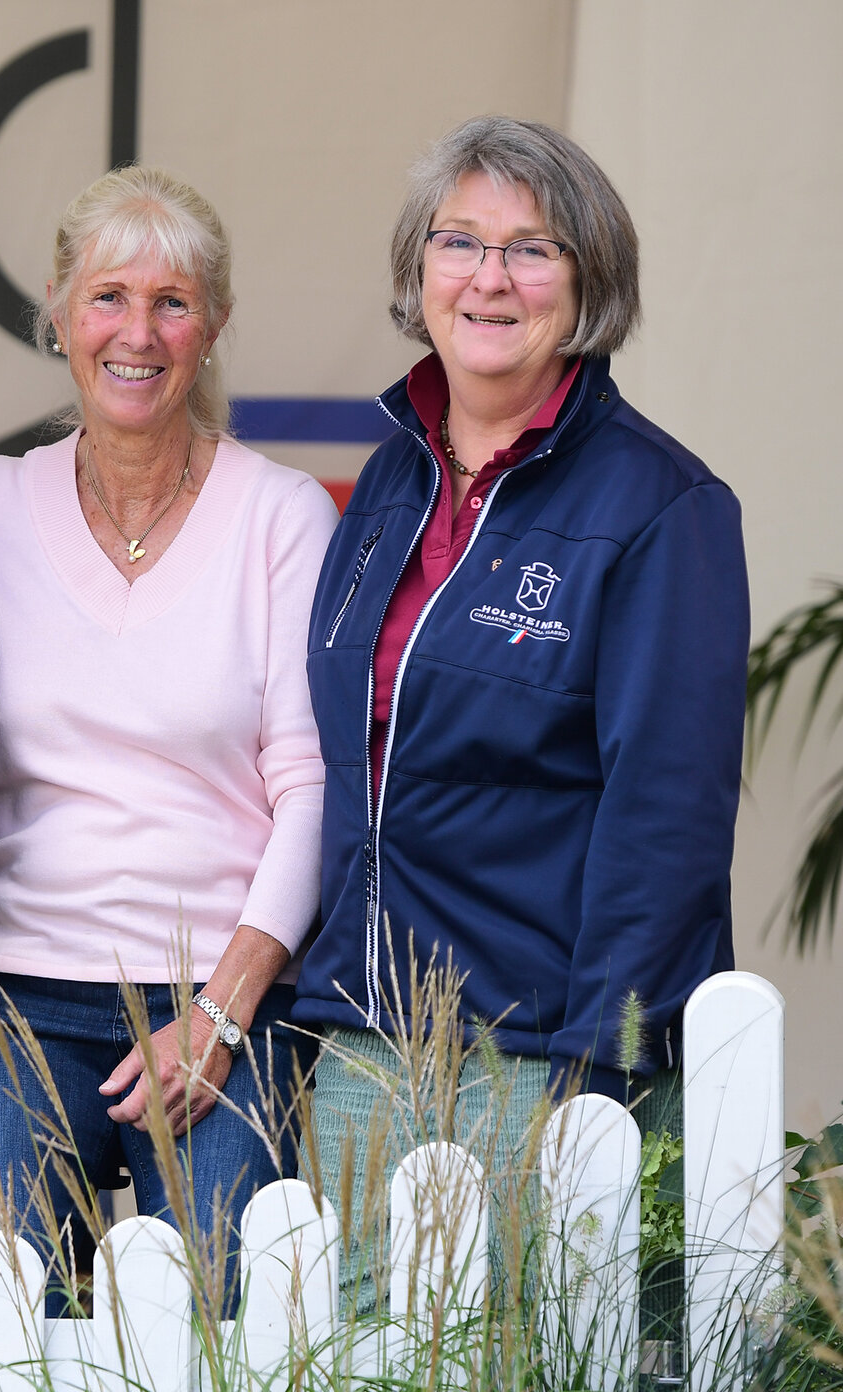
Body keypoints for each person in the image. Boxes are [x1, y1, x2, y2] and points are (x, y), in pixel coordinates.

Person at [291, 116, 747, 1289]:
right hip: (361, 1036)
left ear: (586, 285)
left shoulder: (663, 504)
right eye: (459, 242)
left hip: (531, 1051)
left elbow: (668, 815)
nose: (488, 278)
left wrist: (601, 1075)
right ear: (418, 270)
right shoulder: (393, 473)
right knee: (350, 1359)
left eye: (532, 249)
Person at [0, 165, 336, 1305]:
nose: (137, 332)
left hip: (219, 987)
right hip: (9, 986)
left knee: (212, 1320)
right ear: (58, 314)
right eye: (109, 296)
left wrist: (222, 1007)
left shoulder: (282, 516)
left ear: (211, 329)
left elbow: (310, 782)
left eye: (172, 302)